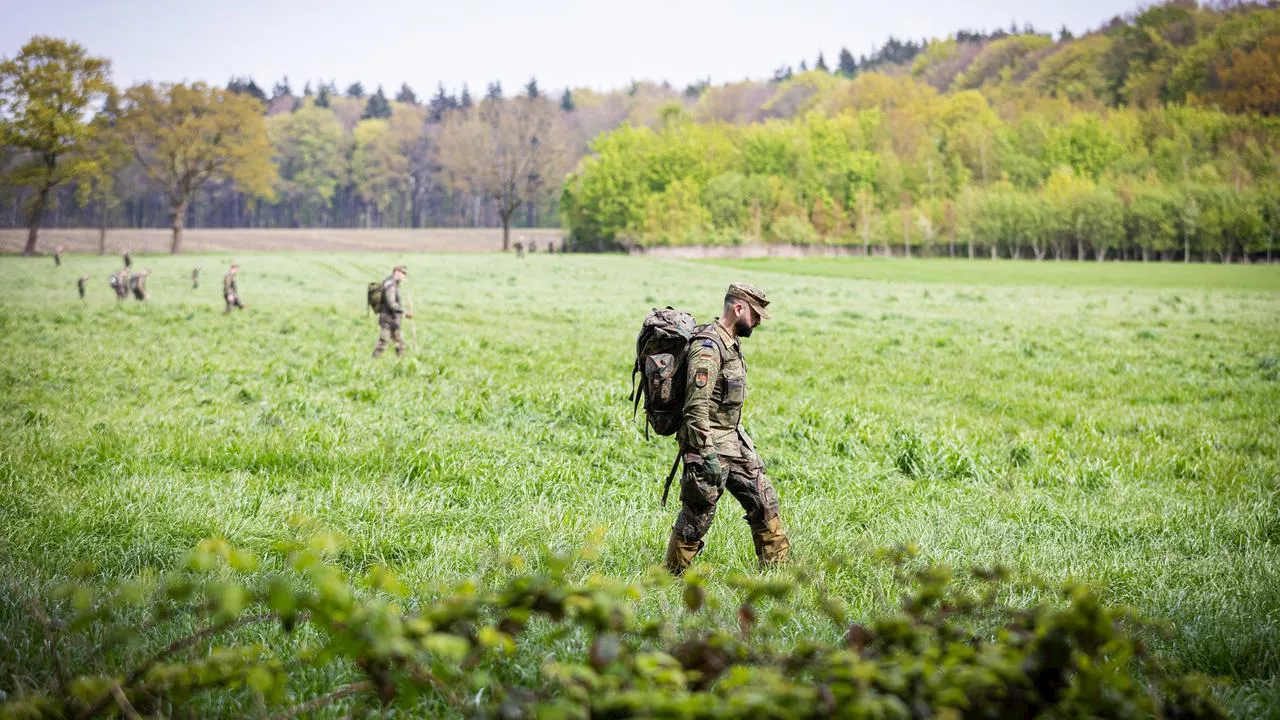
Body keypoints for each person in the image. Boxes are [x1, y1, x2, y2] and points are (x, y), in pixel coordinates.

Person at [664, 282, 790, 574]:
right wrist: (705, 455)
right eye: (755, 315)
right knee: (697, 516)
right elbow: (696, 407)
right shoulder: (708, 347)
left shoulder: (731, 343)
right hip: (707, 447)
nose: (758, 322)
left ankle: (780, 575)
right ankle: (671, 578)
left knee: (764, 500)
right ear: (738, 308)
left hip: (734, 442)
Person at [372, 265, 412, 357]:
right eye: (403, 273)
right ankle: (373, 361)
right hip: (387, 319)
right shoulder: (391, 286)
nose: (404, 276)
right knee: (383, 341)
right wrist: (404, 313)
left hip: (393, 318)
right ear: (396, 272)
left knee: (399, 342)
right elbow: (392, 304)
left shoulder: (393, 283)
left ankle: (401, 363)